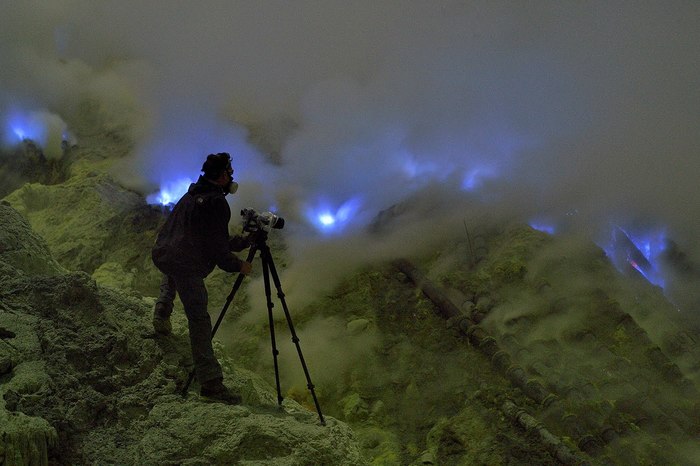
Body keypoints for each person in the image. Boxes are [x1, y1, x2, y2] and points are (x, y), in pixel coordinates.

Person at [151, 152, 252, 404]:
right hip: (185, 263)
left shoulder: (193, 194)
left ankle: (162, 311)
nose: (232, 176)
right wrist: (239, 265)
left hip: (166, 253)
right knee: (199, 319)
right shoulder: (217, 203)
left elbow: (204, 237)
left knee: (173, 269)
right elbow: (218, 251)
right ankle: (211, 384)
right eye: (229, 172)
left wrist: (241, 242)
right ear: (220, 176)